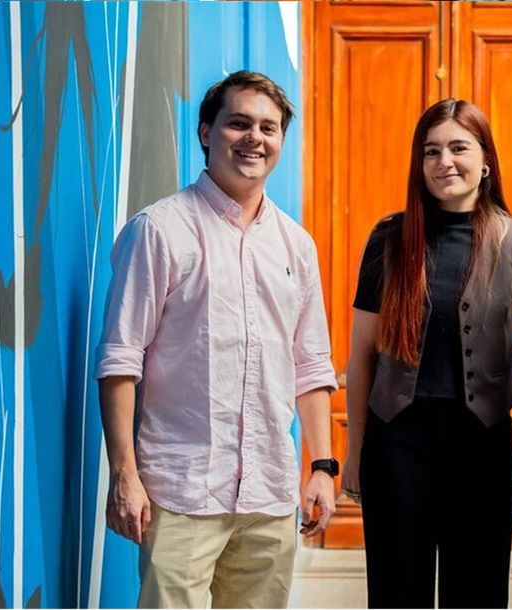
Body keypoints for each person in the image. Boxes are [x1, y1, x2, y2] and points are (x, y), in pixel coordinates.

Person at [95, 71, 339, 609]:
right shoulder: (159, 230)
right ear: (207, 132)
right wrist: (124, 474)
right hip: (180, 491)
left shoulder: (297, 246)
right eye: (239, 123)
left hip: (268, 495)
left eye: (269, 128)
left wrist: (322, 467)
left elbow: (311, 365)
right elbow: (119, 360)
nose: (255, 138)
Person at [340, 99, 512, 608]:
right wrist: (355, 453)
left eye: (458, 148)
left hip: (481, 446)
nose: (444, 162)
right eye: (431, 151)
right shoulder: (389, 240)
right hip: (396, 446)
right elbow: (362, 354)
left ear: (486, 160)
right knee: (396, 596)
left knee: (477, 595)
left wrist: (508, 372)